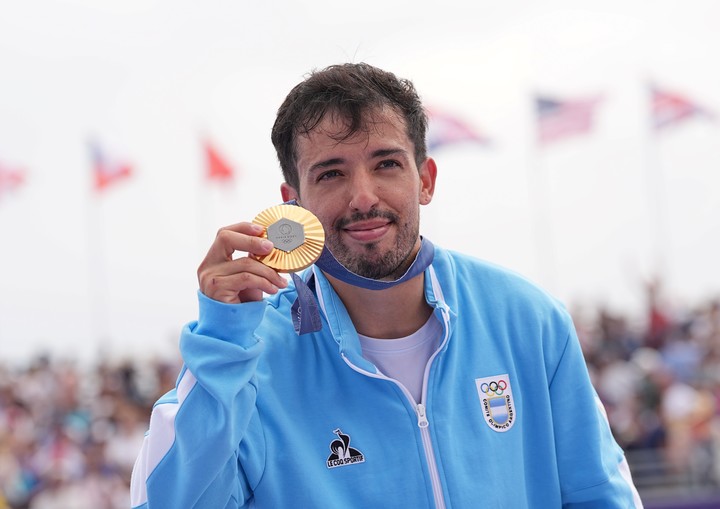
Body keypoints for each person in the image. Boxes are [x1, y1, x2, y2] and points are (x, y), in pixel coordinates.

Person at [130, 62, 643, 508]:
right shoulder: (247, 355)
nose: (363, 196)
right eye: (331, 174)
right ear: (293, 204)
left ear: (426, 179)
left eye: (387, 164)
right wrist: (222, 345)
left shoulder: (527, 321)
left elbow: (602, 495)